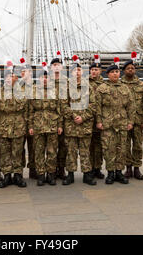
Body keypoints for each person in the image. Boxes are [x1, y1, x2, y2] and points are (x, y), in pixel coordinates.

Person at [96, 59, 135, 185]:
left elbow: (131, 106)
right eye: (112, 72)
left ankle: (119, 172)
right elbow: (97, 106)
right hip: (107, 125)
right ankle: (110, 173)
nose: (115, 74)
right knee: (108, 149)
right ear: (107, 74)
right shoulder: (102, 88)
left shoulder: (125, 88)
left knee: (121, 149)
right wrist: (99, 121)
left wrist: (130, 122)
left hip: (122, 124)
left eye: (117, 72)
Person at [61, 58, 96, 186]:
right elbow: (63, 106)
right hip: (71, 125)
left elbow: (93, 105)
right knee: (71, 151)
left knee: (85, 151)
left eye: (79, 70)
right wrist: (74, 116)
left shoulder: (89, 87)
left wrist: (84, 117)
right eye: (74, 70)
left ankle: (87, 175)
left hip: (85, 125)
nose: (77, 72)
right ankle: (70, 175)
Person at [28, 64, 63, 186]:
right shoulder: (33, 91)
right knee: (38, 151)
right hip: (38, 126)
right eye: (42, 78)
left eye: (46, 77)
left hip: (52, 125)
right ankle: (41, 174)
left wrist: (60, 125)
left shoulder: (55, 91)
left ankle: (51, 174)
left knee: (52, 151)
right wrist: (30, 126)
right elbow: (30, 111)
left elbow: (59, 110)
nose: (44, 79)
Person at [0, 69, 28, 188]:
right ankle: (7, 175)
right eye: (6, 77)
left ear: (16, 79)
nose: (8, 79)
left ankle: (18, 175)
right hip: (3, 126)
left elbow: (27, 110)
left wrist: (25, 125)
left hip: (18, 126)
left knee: (18, 151)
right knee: (4, 152)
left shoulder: (23, 92)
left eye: (11, 76)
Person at [121, 55, 143, 180]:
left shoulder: (141, 85)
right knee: (125, 146)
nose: (130, 70)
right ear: (124, 70)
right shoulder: (119, 84)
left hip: (138, 121)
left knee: (137, 145)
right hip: (124, 120)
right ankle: (128, 169)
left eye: (132, 68)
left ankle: (137, 168)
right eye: (128, 68)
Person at [50, 51, 67, 180]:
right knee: (51, 147)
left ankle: (61, 169)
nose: (56, 66)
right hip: (50, 120)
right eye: (54, 64)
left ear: (62, 67)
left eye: (58, 64)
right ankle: (51, 169)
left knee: (63, 146)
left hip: (66, 119)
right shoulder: (46, 82)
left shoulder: (67, 82)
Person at [19, 58, 36, 179]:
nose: (26, 74)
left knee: (34, 147)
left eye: (28, 71)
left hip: (34, 122)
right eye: (24, 72)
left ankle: (33, 169)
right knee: (19, 148)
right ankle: (19, 171)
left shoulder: (37, 88)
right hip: (19, 122)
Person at [89, 55, 105, 179]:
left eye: (97, 70)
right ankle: (89, 168)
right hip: (88, 119)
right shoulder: (85, 83)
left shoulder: (104, 84)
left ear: (100, 71)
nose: (95, 71)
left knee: (99, 146)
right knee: (88, 146)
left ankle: (97, 168)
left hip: (100, 119)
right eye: (93, 69)